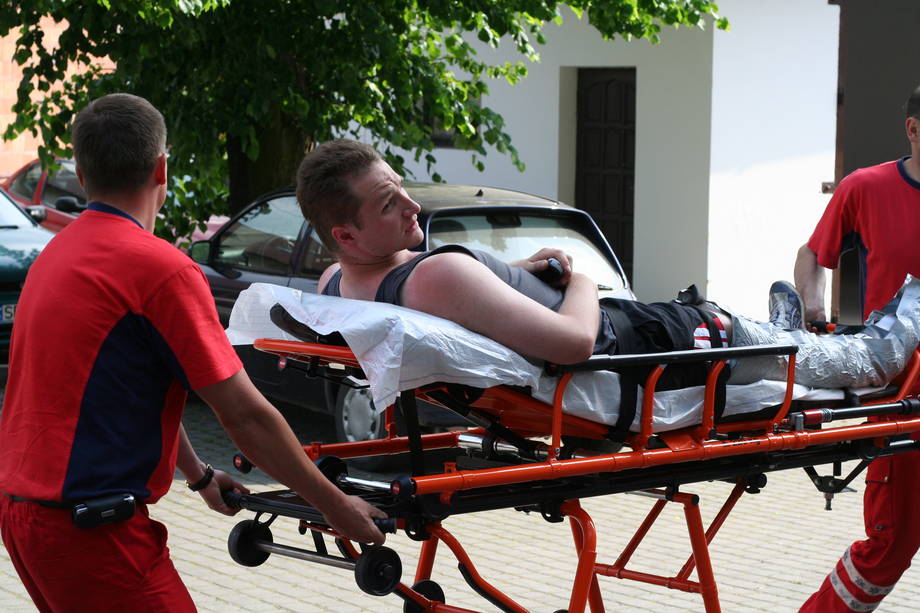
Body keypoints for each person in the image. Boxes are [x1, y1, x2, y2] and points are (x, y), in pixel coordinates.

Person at [0, 94, 385, 613]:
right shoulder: (160, 270)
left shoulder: (56, 255)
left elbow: (139, 391)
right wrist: (335, 506)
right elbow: (244, 415)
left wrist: (199, 475)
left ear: (83, 174)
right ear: (161, 169)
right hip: (91, 530)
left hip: (28, 517)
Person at [294, 139, 920, 397]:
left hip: (649, 335)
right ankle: (894, 324)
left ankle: (785, 334)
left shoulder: (337, 283)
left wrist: (519, 271)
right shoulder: (435, 277)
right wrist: (584, 280)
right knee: (856, 362)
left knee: (766, 337)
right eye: (389, 205)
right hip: (661, 341)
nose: (411, 206)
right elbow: (574, 342)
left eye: (402, 188)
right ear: (346, 234)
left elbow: (471, 300)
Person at [792, 85, 920, 612]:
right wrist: (814, 316)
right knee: (890, 545)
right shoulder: (866, 187)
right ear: (913, 129)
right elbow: (813, 254)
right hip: (901, 395)